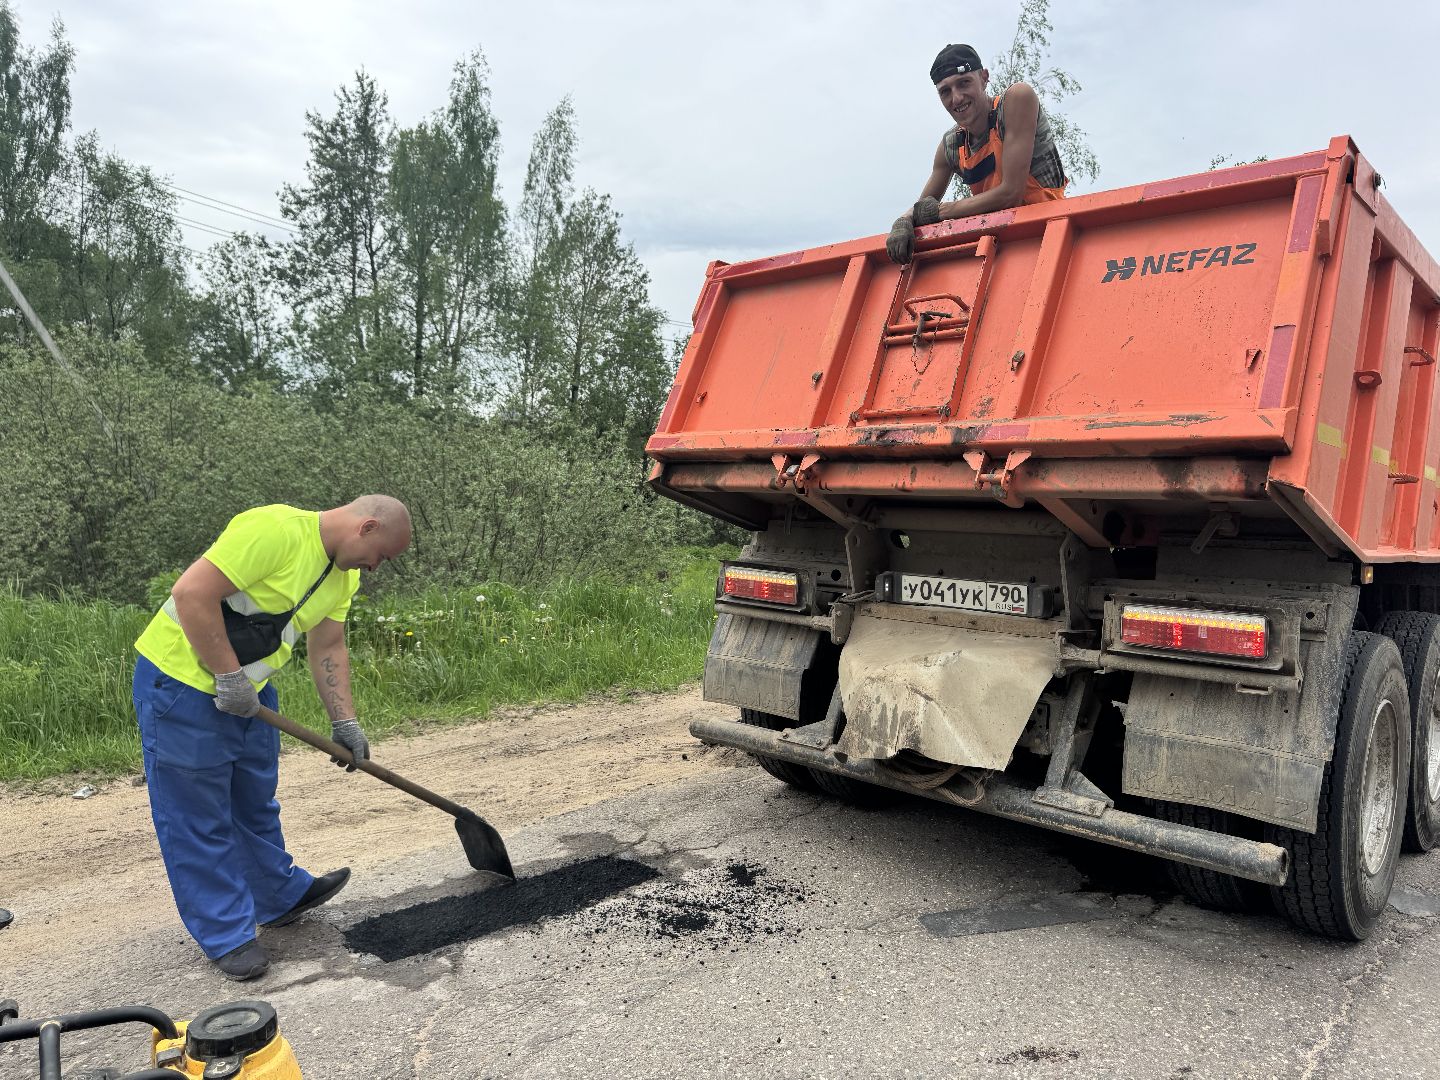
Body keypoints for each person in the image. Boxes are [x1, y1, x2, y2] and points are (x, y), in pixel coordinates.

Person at [131, 496, 412, 980]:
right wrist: (227, 676)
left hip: (251, 693)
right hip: (182, 686)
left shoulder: (342, 577)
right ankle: (226, 935)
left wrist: (345, 721)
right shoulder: (274, 530)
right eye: (382, 555)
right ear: (365, 527)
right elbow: (190, 593)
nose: (377, 567)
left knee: (254, 803)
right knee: (197, 816)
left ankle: (276, 896)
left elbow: (329, 645)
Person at [887, 43, 1068, 264]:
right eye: (945, 91)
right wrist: (903, 221)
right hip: (1000, 252)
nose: (956, 98)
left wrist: (941, 212)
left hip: (1052, 235)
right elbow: (923, 206)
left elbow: (1011, 193)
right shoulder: (952, 146)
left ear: (984, 78)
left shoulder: (1016, 100)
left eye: (964, 83)